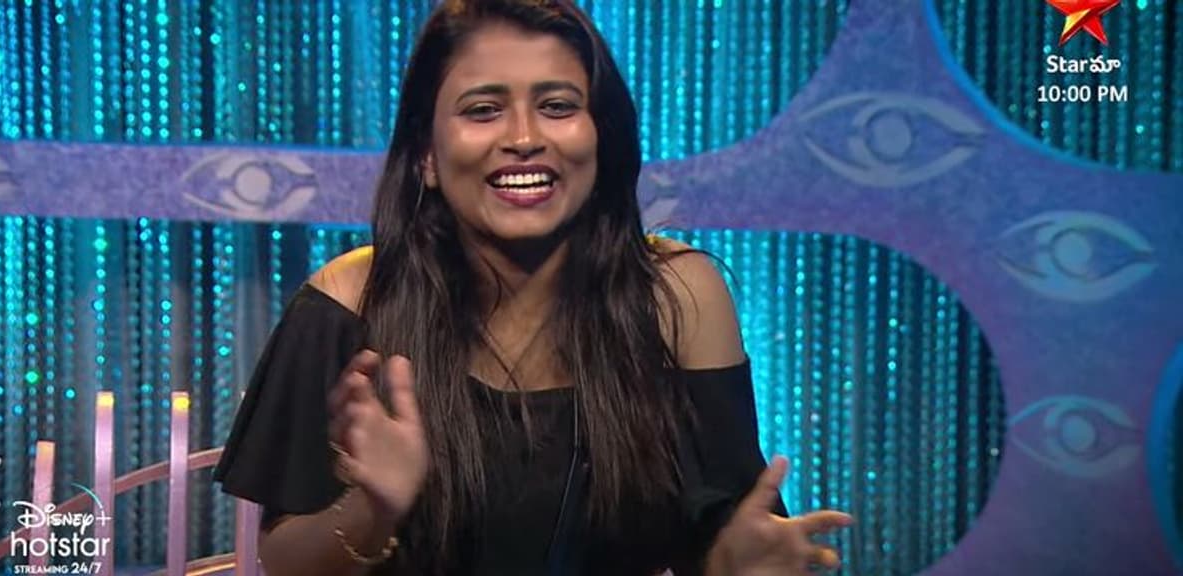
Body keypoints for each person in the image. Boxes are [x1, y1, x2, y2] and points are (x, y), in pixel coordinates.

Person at [213, 1, 852, 574]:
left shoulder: (678, 296)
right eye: (483, 110)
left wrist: (733, 561)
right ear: (427, 155)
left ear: (601, 136)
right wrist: (372, 509)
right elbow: (285, 561)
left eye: (557, 106)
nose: (524, 139)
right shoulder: (349, 300)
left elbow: (724, 530)